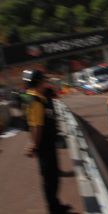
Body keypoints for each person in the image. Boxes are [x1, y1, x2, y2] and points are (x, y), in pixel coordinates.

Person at [22, 70, 71, 214]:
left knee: (53, 178)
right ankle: (53, 209)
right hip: (44, 147)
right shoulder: (35, 101)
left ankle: (55, 205)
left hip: (47, 144)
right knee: (50, 180)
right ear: (38, 82)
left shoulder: (38, 97)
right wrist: (33, 145)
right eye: (44, 80)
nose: (46, 82)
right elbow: (36, 126)